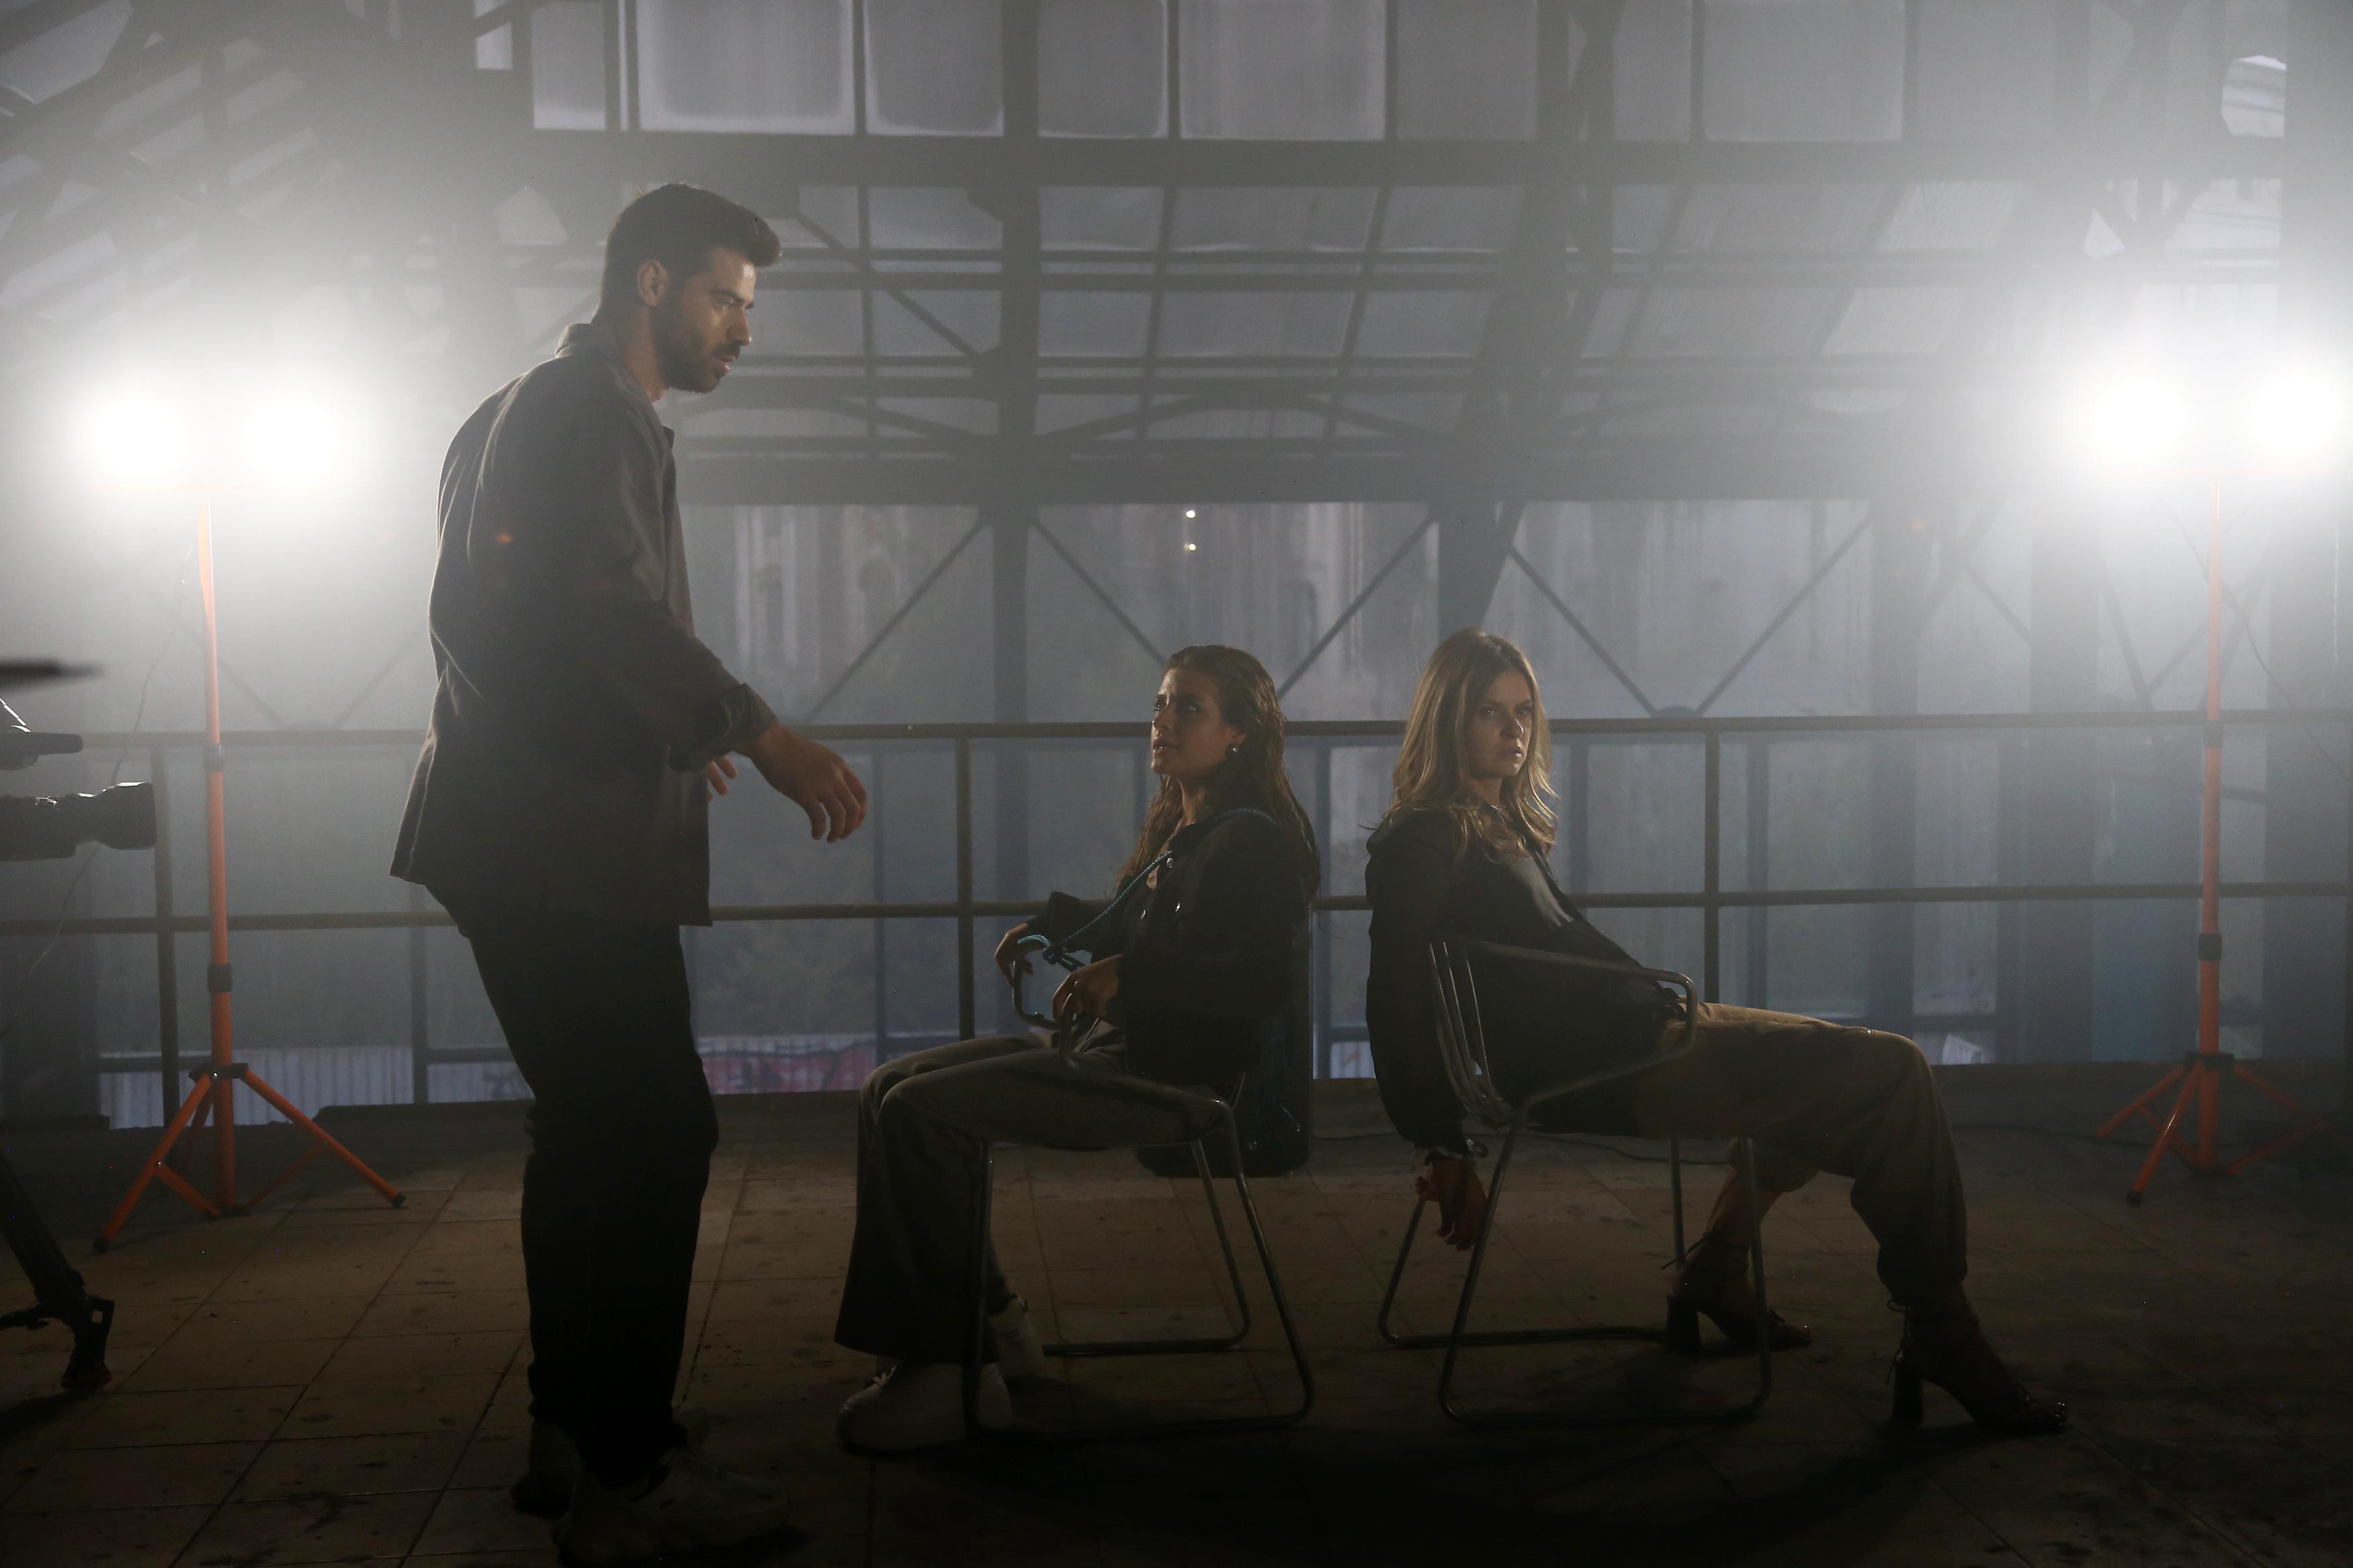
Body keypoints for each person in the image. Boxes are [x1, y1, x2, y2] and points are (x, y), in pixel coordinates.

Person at [393, 183, 870, 1560]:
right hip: (564, 851)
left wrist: (655, 731)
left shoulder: (511, 407)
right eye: (726, 298)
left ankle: (571, 1428)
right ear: (651, 284)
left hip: (511, 833)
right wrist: (756, 731)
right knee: (658, 1134)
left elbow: (493, 618)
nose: (741, 330)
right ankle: (632, 1471)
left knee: (589, 1132)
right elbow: (603, 600)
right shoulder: (590, 409)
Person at [1363, 628, 2067, 1435]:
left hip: (1640, 1029)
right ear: (1446, 717)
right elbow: (1394, 995)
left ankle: (1717, 1269)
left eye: (1523, 711)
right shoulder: (1426, 836)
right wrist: (1437, 1138)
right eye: (1489, 711)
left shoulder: (1488, 820)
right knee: (1891, 1071)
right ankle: (1942, 1331)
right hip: (1610, 1065)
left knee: (1843, 1066)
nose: (1513, 730)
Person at [830, 645, 1317, 1452]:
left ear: (1239, 732)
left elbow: (1257, 982)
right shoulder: (1190, 828)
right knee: (888, 1087)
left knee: (919, 1110)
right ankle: (991, 1327)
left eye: (1187, 707)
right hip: (1120, 1052)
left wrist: (1133, 972)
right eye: (1160, 703)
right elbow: (1136, 924)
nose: (1162, 720)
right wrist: (1052, 922)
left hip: (1166, 1076)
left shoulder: (1251, 844)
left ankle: (945, 1371)